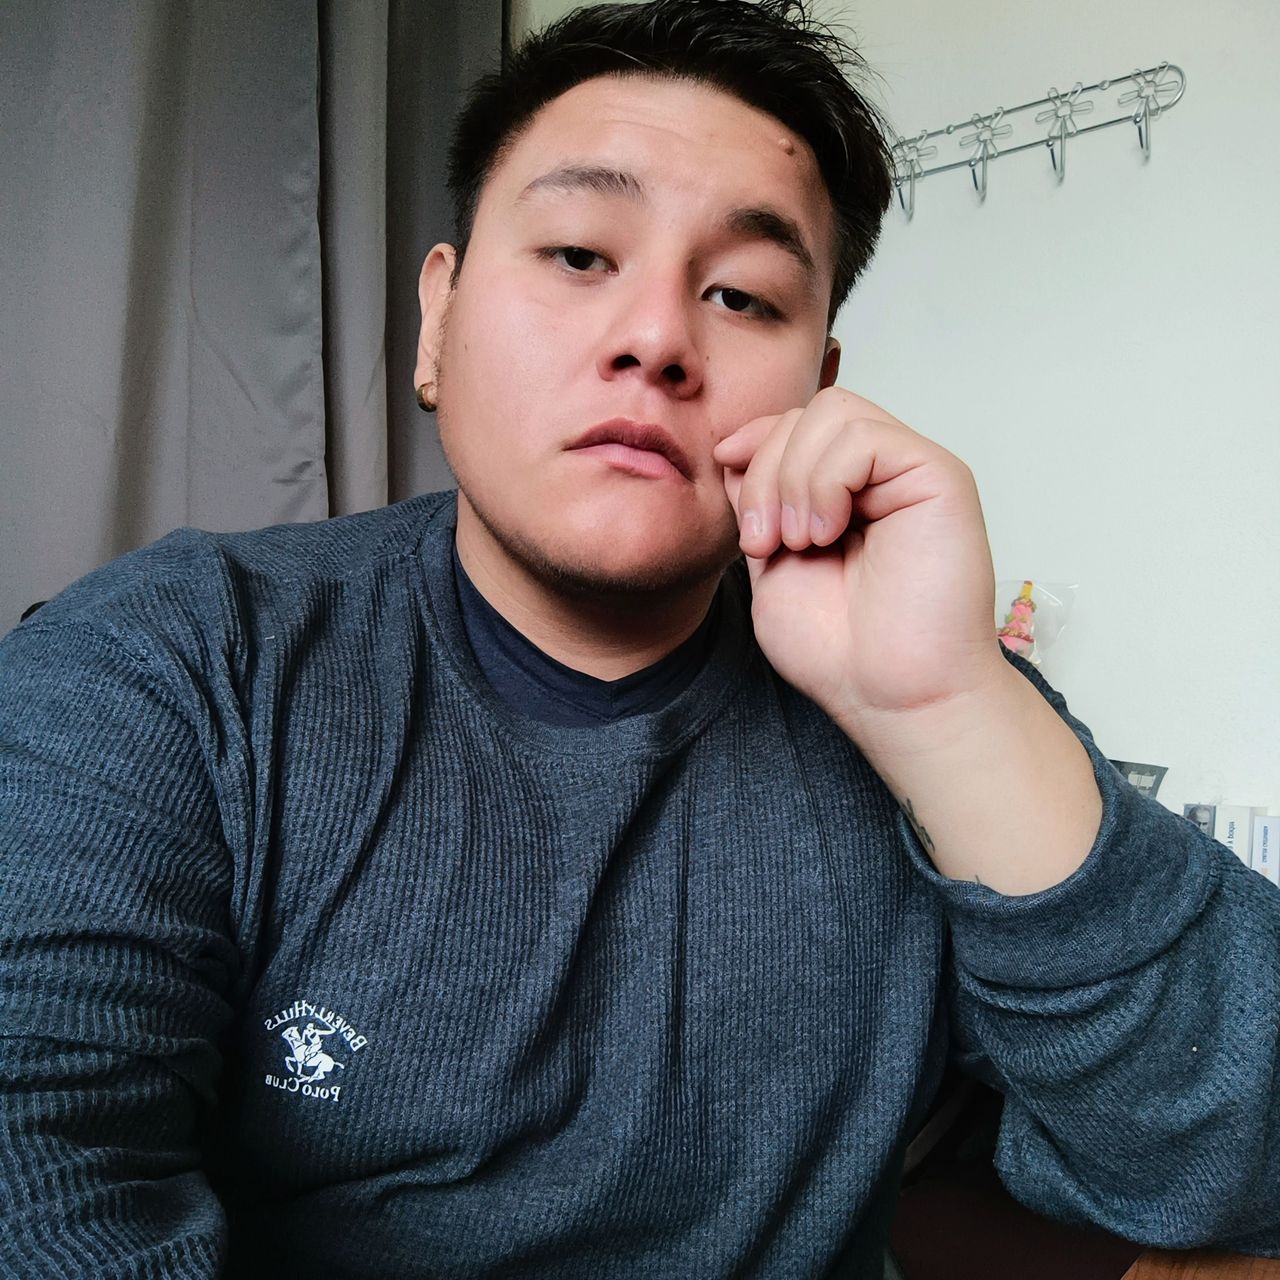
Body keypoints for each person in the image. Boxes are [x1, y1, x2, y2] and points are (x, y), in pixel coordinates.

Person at [1, 1, 1277, 1276]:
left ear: (817, 389)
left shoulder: (923, 700)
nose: (658, 338)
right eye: (577, 254)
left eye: (741, 294)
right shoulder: (174, 662)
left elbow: (1238, 1159)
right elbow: (41, 1182)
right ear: (438, 321)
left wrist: (942, 707)